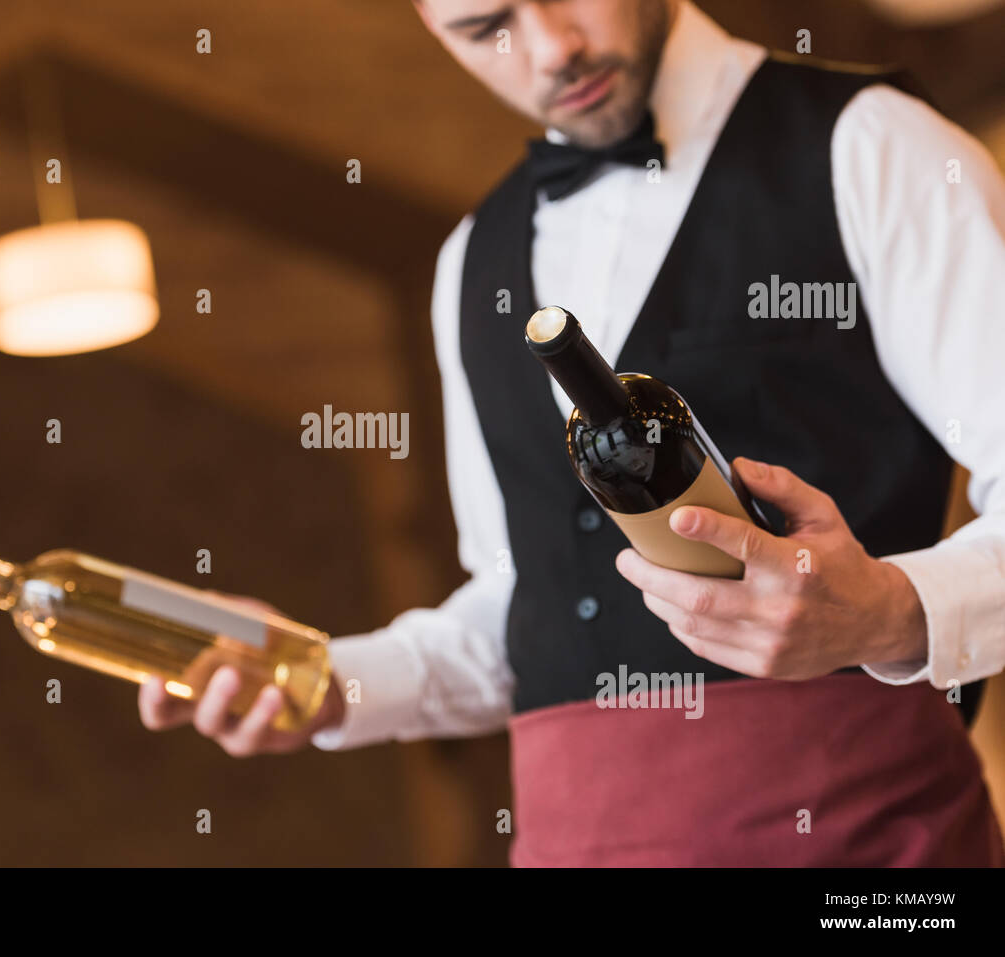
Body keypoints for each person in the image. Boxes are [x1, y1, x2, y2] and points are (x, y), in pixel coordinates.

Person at [139, 0, 1005, 866]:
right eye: (486, 27)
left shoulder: (876, 148)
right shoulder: (468, 261)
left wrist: (891, 613)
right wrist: (323, 680)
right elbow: (525, 600)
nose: (553, 47)